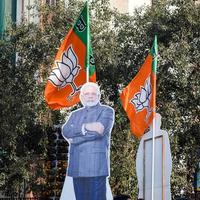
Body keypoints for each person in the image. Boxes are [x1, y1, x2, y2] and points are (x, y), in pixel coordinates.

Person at [62, 82, 115, 200]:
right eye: (86, 94)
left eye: (93, 93)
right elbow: (65, 131)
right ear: (81, 97)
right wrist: (85, 127)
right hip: (77, 167)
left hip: (96, 167)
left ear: (98, 96)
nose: (90, 96)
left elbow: (99, 131)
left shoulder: (107, 111)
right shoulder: (74, 114)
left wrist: (75, 139)